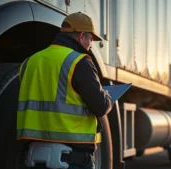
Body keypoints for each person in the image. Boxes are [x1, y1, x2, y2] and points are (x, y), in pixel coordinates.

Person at [17, 12, 113, 169]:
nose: (91, 45)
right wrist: (108, 98)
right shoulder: (79, 62)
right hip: (71, 160)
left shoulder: (30, 62)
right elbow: (100, 106)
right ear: (81, 36)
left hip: (35, 157)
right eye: (90, 39)